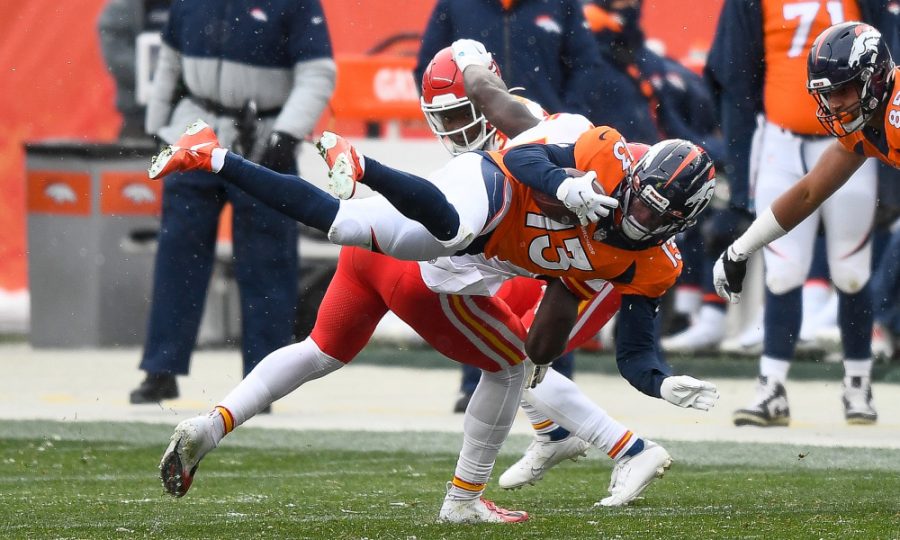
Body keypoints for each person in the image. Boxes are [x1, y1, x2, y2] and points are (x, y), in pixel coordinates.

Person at [153, 44, 719, 522]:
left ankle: (212, 157)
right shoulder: (591, 149)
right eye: (638, 203)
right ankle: (465, 498)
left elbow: (574, 320)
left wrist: (660, 382)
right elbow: (520, 151)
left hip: (443, 250)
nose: (636, 218)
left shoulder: (646, 259)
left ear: (681, 224)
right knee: (491, 320)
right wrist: (565, 184)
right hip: (458, 245)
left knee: (335, 272)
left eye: (653, 217)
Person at [128, 0, 336, 404]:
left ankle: (264, 382)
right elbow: (170, 59)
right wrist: (157, 127)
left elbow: (317, 73)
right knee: (177, 256)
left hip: (262, 136)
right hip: (195, 133)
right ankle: (161, 369)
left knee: (268, 264)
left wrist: (286, 135)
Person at [414, 0, 603, 407]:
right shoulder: (456, 5)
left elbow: (586, 69)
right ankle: (479, 377)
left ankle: (555, 385)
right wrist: (457, 109)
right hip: (480, 138)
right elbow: (428, 72)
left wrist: (561, 124)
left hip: (538, 141)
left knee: (554, 258)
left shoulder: (561, 6)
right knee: (472, 259)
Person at [714, 21, 900, 426]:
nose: (834, 105)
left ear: (876, 77)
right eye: (826, 94)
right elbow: (809, 193)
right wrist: (742, 246)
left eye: (843, 90)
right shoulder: (869, 122)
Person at [97, 0, 171, 139]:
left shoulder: (191, 7)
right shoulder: (120, 9)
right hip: (138, 116)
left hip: (184, 116)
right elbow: (117, 59)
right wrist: (167, 82)